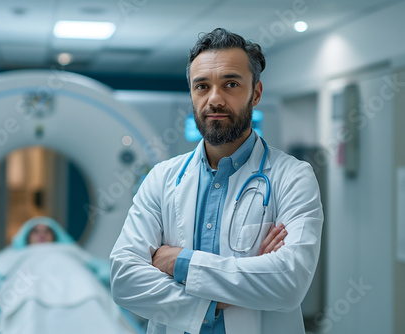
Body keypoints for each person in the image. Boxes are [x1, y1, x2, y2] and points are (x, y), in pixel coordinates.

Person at [109, 28, 323, 334]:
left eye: (231, 84)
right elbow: (124, 280)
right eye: (202, 86)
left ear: (256, 93)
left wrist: (179, 263)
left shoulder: (293, 177)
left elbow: (288, 283)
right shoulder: (162, 178)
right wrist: (232, 292)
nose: (214, 99)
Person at [0, 216, 134, 334]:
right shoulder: (15, 254)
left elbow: (104, 269)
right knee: (29, 302)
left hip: (80, 287)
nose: (41, 234)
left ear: (55, 235)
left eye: (47, 231)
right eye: (36, 231)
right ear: (27, 236)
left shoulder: (70, 251)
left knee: (90, 293)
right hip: (30, 290)